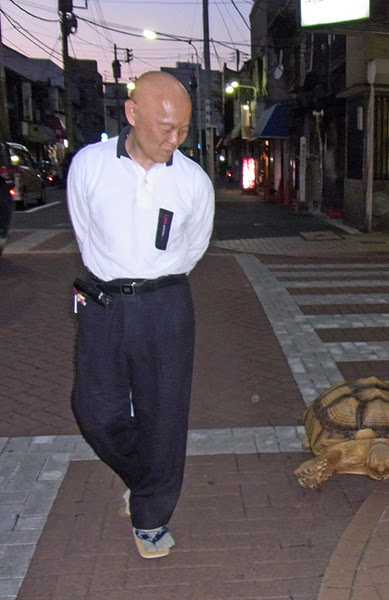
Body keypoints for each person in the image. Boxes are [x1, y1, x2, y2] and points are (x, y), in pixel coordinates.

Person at [67, 71, 215, 558]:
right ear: (131, 115)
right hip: (103, 302)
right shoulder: (88, 165)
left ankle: (151, 514)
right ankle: (147, 478)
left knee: (163, 416)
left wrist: (155, 281)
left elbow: (193, 248)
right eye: (164, 128)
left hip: (166, 304)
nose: (175, 140)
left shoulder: (193, 181)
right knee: (96, 413)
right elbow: (86, 233)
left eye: (183, 130)